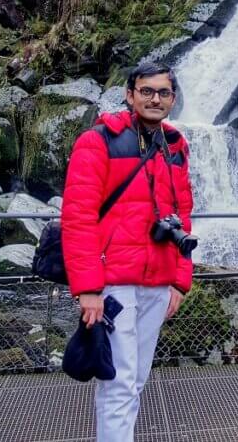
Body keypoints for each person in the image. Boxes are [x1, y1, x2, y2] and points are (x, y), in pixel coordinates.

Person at [61, 62, 196, 441]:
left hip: (158, 282)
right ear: (130, 94)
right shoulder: (98, 140)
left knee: (135, 379)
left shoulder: (175, 147)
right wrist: (88, 289)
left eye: (164, 92)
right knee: (118, 382)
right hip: (114, 284)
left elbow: (182, 215)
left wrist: (180, 282)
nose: (156, 98)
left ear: (172, 98)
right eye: (147, 91)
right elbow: (78, 218)